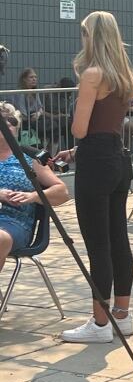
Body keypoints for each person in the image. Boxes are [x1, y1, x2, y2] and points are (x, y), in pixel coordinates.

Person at [54, 11, 133, 343]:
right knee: (118, 238)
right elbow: (108, 128)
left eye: (84, 33)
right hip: (117, 158)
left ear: (93, 36)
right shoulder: (125, 75)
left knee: (97, 244)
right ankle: (122, 315)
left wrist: (77, 111)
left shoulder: (92, 75)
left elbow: (80, 128)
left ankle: (100, 324)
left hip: (96, 162)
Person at [0, 102, 68, 275]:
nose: (7, 122)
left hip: (13, 223)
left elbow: (62, 192)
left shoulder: (29, 160)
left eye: (12, 120)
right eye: (2, 118)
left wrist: (32, 196)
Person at [12, 68, 47, 147]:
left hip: (35, 118)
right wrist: (32, 118)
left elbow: (40, 107)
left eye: (35, 77)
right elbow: (22, 114)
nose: (34, 79)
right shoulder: (20, 93)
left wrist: (38, 114)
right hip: (25, 121)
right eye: (31, 77)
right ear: (24, 79)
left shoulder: (34, 91)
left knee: (54, 126)